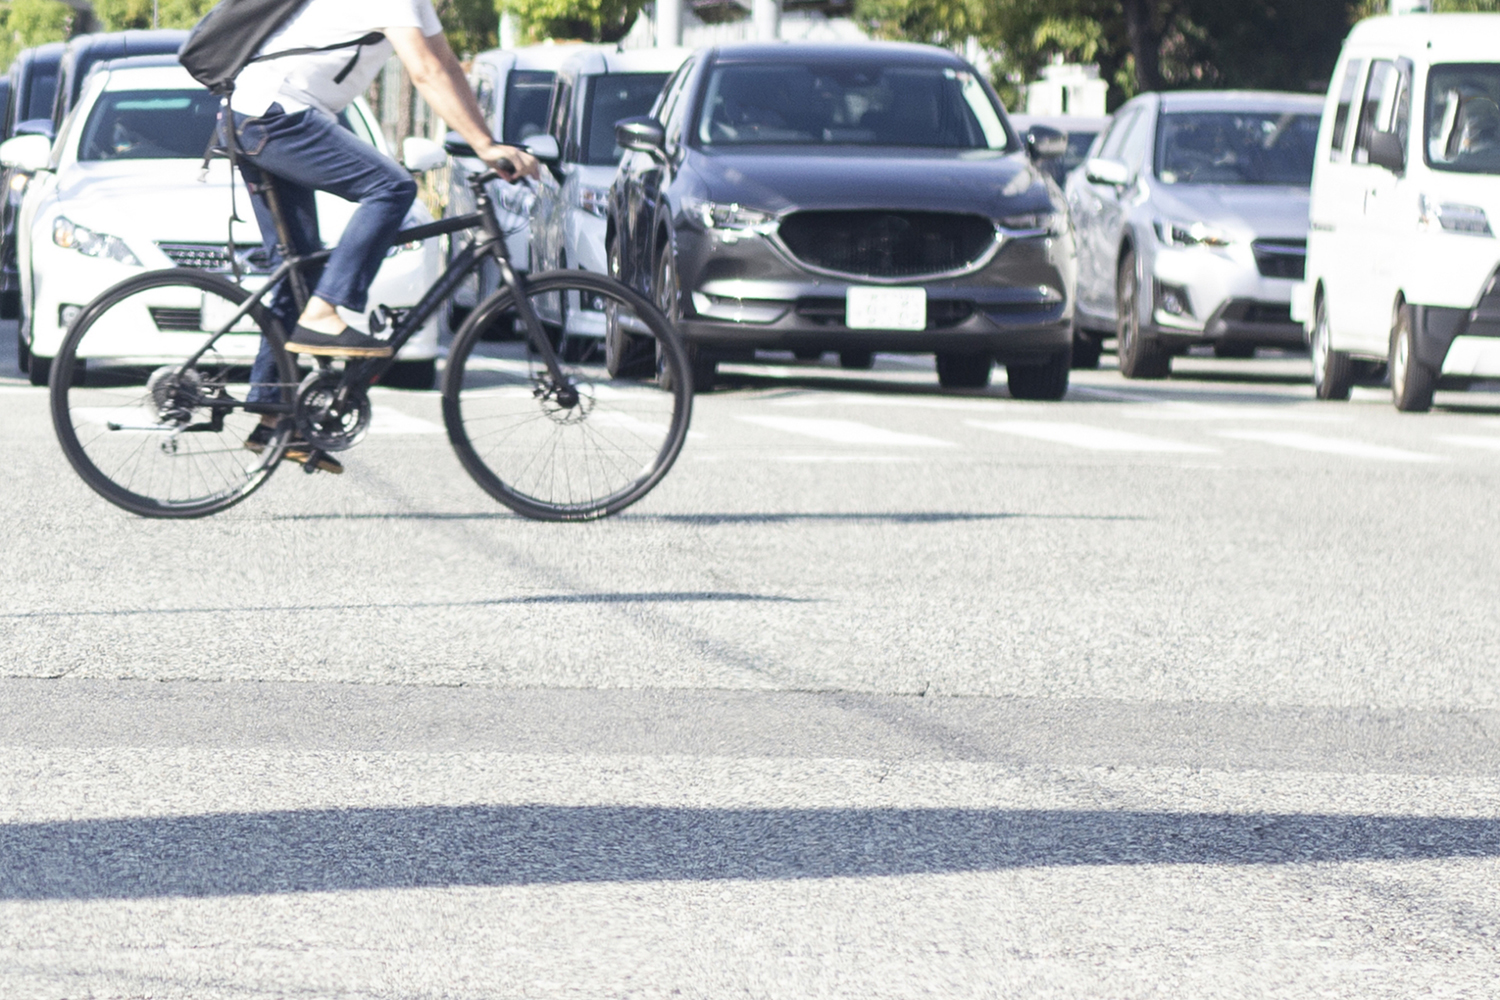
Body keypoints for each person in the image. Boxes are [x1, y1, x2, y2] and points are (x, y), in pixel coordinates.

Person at [229, 0, 538, 471]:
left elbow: (447, 66)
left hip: (260, 114)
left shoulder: (417, 6)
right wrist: (483, 145)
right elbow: (426, 73)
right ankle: (325, 310)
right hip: (276, 115)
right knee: (392, 186)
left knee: (300, 266)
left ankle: (274, 419)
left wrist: (485, 139)